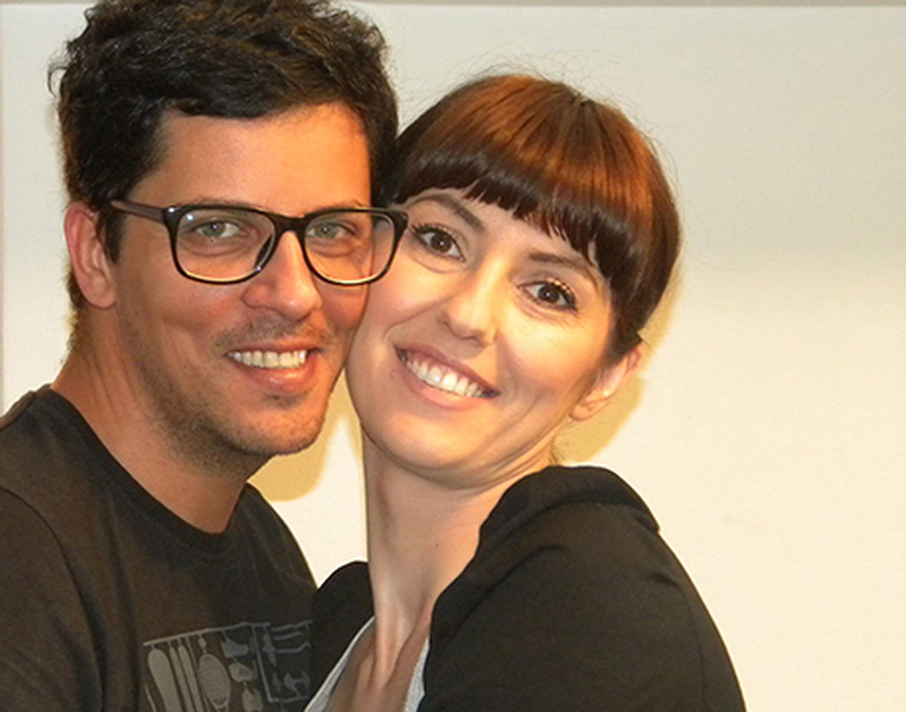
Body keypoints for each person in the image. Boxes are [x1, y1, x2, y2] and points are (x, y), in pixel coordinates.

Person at [0, 1, 400, 709]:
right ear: (96, 253)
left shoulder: (259, 547)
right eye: (219, 229)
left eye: (334, 231)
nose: (295, 293)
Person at [307, 74, 744, 710]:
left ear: (607, 377)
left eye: (549, 292)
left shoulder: (591, 612)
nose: (468, 315)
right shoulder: (335, 631)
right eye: (440, 240)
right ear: (358, 251)